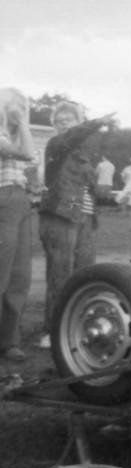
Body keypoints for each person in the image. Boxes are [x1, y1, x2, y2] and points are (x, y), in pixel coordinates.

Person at [37, 101, 114, 349]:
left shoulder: (83, 155)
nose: (63, 124)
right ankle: (53, 330)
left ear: (77, 122)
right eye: (59, 121)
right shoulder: (56, 145)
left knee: (84, 273)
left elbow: (91, 191)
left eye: (68, 119)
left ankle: (79, 325)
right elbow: (71, 138)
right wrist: (96, 122)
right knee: (59, 274)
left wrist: (112, 197)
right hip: (59, 216)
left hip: (85, 219)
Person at [0, 88, 35, 362]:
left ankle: (10, 341)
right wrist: (22, 123)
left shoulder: (18, 133)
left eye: (23, 108)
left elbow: (30, 160)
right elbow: (26, 153)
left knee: (19, 276)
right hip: (3, 199)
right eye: (15, 107)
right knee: (1, 272)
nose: (19, 111)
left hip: (21, 201)